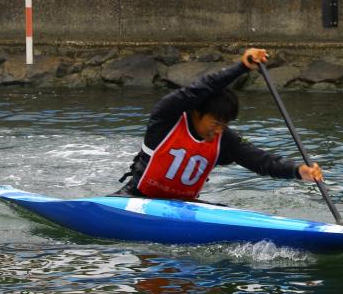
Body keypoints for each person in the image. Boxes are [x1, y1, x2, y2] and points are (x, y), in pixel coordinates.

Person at [115, 47, 323, 200]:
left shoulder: (224, 139)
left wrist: (297, 171)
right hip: (136, 197)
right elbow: (199, 89)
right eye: (215, 123)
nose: (218, 131)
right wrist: (241, 67)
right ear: (197, 112)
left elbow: (262, 161)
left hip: (185, 208)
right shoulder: (167, 118)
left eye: (224, 125)